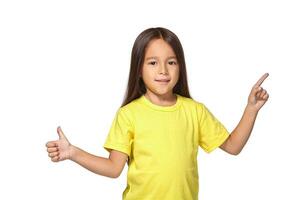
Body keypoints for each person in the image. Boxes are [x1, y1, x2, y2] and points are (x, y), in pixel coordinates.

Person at [45, 27, 269, 200]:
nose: (163, 70)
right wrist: (72, 152)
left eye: (171, 62)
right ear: (139, 70)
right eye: (153, 62)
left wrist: (251, 110)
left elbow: (233, 146)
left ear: (180, 67)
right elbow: (113, 169)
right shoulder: (128, 115)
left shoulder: (194, 111)